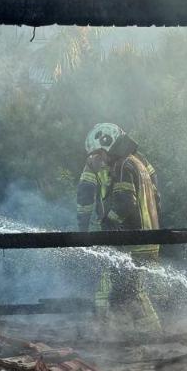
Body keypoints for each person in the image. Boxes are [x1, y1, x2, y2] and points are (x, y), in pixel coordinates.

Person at [76, 122, 162, 335]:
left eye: (100, 153)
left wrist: (108, 223)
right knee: (132, 291)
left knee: (118, 291)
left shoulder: (123, 165)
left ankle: (117, 334)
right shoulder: (140, 162)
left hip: (133, 241)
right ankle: (136, 334)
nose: (99, 159)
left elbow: (125, 202)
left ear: (109, 144)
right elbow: (156, 198)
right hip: (147, 237)